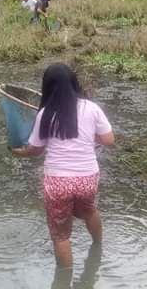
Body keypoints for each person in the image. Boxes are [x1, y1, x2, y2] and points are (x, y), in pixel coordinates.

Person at [12, 63, 115, 267]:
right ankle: (98, 247)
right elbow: (109, 140)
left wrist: (19, 153)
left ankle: (63, 286)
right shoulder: (92, 108)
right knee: (90, 210)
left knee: (61, 235)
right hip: (87, 178)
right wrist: (88, 135)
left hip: (58, 182)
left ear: (47, 87)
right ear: (74, 83)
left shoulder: (45, 114)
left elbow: (36, 150)